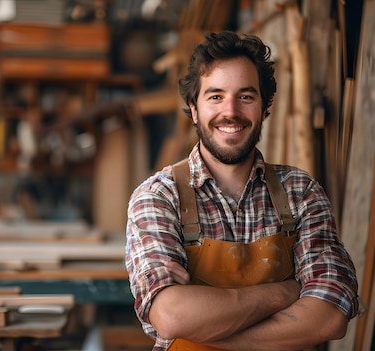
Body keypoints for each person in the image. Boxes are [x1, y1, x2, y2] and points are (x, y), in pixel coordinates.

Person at [125, 31, 360, 351]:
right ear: (194, 109)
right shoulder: (159, 198)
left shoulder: (300, 193)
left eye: (246, 96)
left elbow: (330, 316)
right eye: (216, 96)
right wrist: (286, 292)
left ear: (264, 108)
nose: (231, 111)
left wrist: (208, 326)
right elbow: (171, 317)